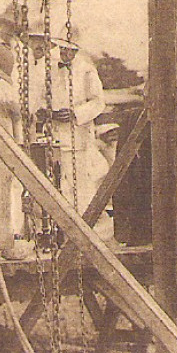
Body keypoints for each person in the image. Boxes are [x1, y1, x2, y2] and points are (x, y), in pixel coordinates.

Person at [20, 17, 106, 212]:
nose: (65, 54)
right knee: (55, 182)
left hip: (77, 135)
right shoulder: (49, 67)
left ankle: (84, 222)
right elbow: (40, 94)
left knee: (79, 182)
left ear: (76, 51)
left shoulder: (86, 70)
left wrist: (76, 114)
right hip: (54, 134)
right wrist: (43, 110)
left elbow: (98, 102)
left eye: (70, 50)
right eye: (62, 49)